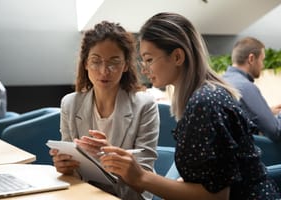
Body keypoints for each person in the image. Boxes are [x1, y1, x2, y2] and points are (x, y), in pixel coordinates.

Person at [99, 12, 280, 200]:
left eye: (149, 59)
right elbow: (210, 180)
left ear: (177, 56)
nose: (145, 69)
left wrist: (141, 177)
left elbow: (216, 197)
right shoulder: (205, 95)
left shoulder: (205, 103)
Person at [49, 21, 159, 200]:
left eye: (114, 62)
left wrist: (111, 156)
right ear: (85, 63)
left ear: (125, 66)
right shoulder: (70, 103)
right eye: (96, 61)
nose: (104, 71)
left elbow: (143, 176)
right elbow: (73, 171)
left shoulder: (144, 105)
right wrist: (65, 166)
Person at [222, 37, 281, 142]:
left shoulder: (223, 81)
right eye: (262, 60)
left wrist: (268, 113)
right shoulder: (244, 86)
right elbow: (275, 131)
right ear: (251, 59)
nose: (263, 65)